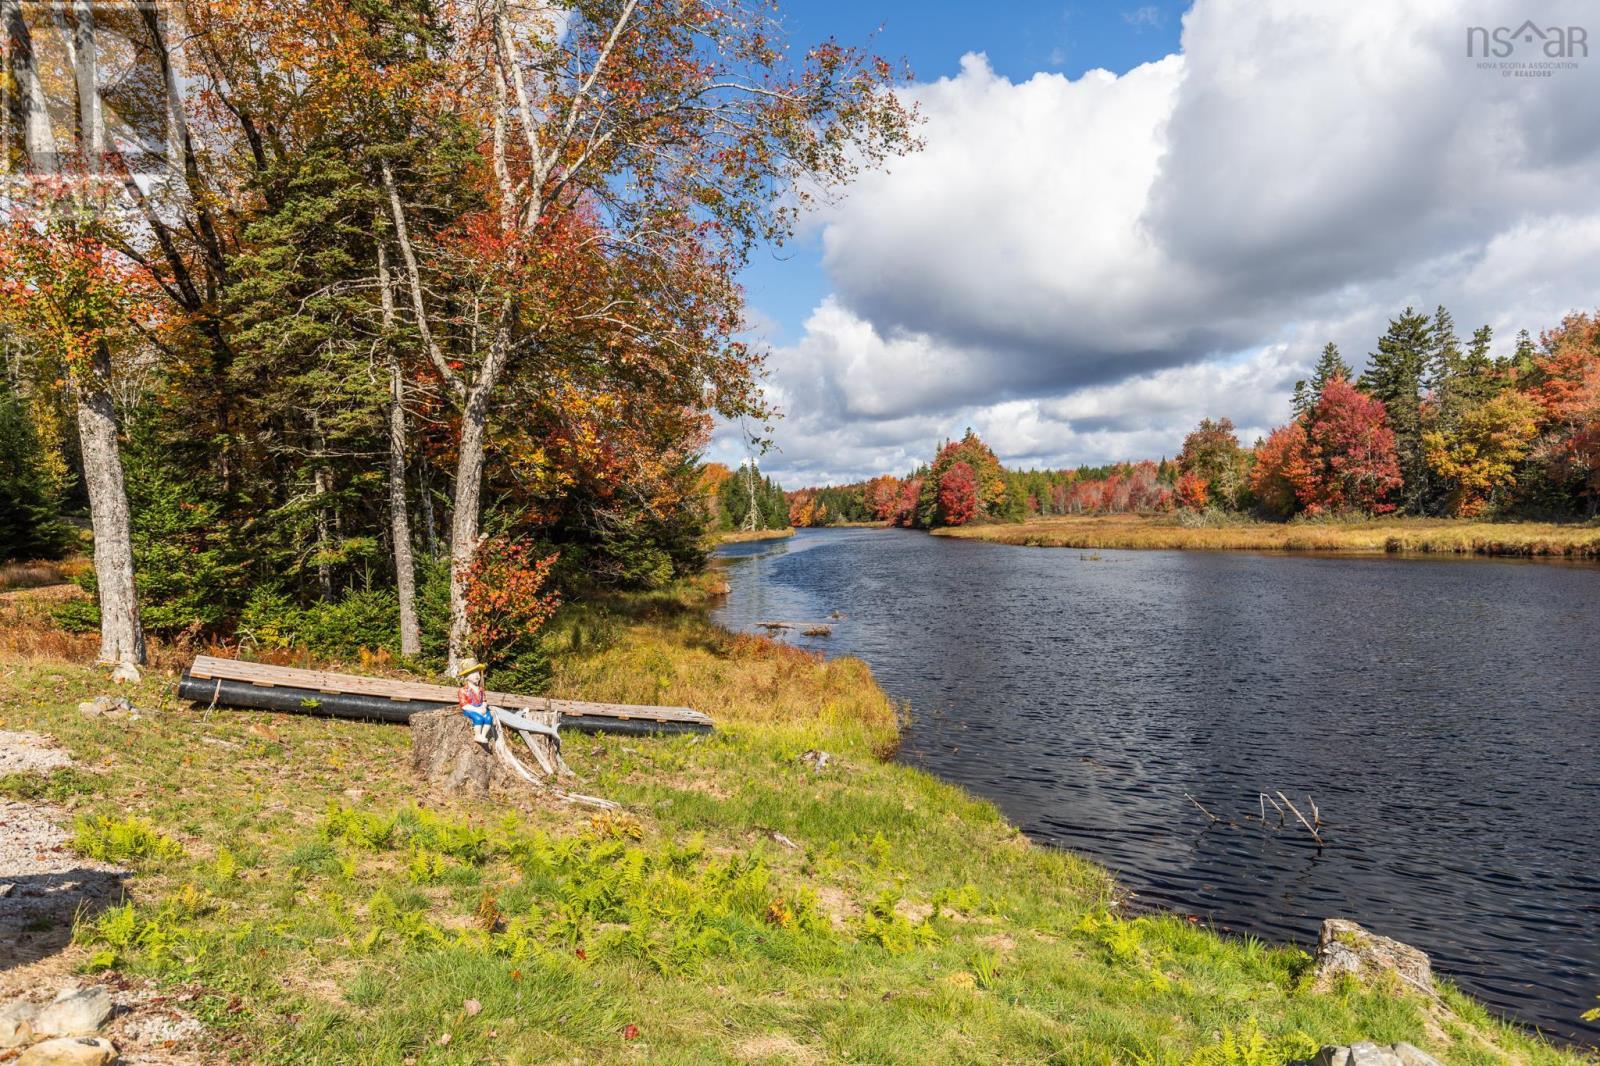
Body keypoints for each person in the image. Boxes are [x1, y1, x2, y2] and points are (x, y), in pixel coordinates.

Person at [455, 657, 493, 744]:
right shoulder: (463, 690)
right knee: (478, 718)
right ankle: (477, 735)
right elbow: (464, 705)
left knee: (488, 718)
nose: (477, 676)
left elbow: (484, 700)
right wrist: (477, 710)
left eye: (478, 673)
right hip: (470, 709)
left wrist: (483, 707)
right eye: (473, 674)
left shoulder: (480, 689)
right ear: (466, 677)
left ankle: (483, 735)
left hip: (480, 708)